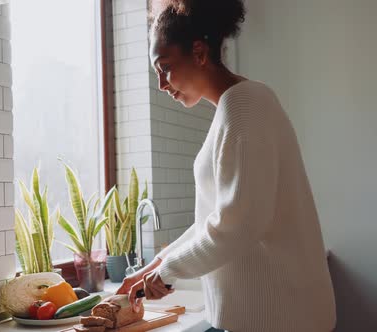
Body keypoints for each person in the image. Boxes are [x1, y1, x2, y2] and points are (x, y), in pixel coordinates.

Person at [115, 0, 336, 331]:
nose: (162, 83)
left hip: (282, 318)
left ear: (200, 53)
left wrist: (167, 271)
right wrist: (154, 267)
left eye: (165, 67)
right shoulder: (233, 108)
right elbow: (214, 219)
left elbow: (239, 224)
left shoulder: (244, 106)